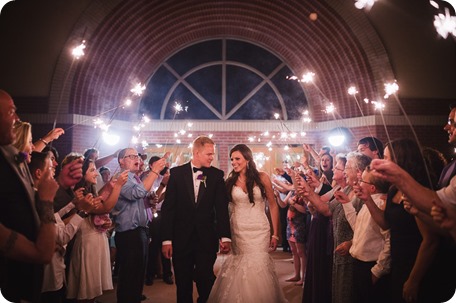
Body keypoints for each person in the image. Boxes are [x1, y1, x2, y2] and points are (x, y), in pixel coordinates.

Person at [0, 89, 60, 302]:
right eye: (10, 113)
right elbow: (43, 253)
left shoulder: (12, 161)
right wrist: (46, 200)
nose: (16, 119)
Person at [207, 144, 286, 303]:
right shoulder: (229, 181)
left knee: (258, 264)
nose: (234, 162)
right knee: (240, 264)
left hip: (260, 229)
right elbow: (220, 207)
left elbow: (272, 204)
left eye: (237, 158)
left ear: (248, 159)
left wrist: (275, 233)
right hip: (238, 229)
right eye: (232, 159)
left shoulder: (262, 177)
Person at [161, 135, 231, 303]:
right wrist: (166, 240)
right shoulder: (176, 174)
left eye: (212, 154)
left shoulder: (216, 175)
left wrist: (225, 236)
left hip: (206, 238)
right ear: (196, 152)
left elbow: (221, 208)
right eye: (209, 154)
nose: (212, 157)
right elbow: (168, 209)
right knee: (183, 283)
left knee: (205, 279)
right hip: (181, 238)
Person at [66, 158, 128, 302]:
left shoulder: (89, 188)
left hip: (95, 238)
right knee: (86, 288)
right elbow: (104, 207)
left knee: (92, 287)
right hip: (87, 242)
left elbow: (98, 202)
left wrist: (108, 187)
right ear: (82, 174)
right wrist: (117, 186)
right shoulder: (80, 192)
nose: (96, 174)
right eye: (92, 170)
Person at [113, 147, 167, 303]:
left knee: (138, 272)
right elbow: (135, 194)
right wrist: (155, 171)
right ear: (121, 161)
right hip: (129, 232)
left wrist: (149, 202)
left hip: (140, 230)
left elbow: (139, 197)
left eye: (137, 156)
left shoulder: (135, 178)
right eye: (131, 156)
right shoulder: (121, 177)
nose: (137, 159)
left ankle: (134, 297)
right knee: (130, 273)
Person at [334, 166, 392, 302]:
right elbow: (358, 228)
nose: (358, 184)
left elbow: (389, 240)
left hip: (371, 266)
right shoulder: (368, 203)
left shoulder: (381, 204)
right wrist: (347, 203)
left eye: (362, 181)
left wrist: (378, 270)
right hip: (358, 264)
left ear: (372, 188)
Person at [144, 156, 173, 286]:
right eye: (157, 164)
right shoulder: (148, 179)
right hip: (154, 215)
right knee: (154, 246)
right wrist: (163, 186)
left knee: (167, 243)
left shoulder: (167, 177)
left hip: (167, 215)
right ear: (151, 166)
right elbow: (154, 200)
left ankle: (167, 274)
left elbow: (200, 179)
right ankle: (149, 274)